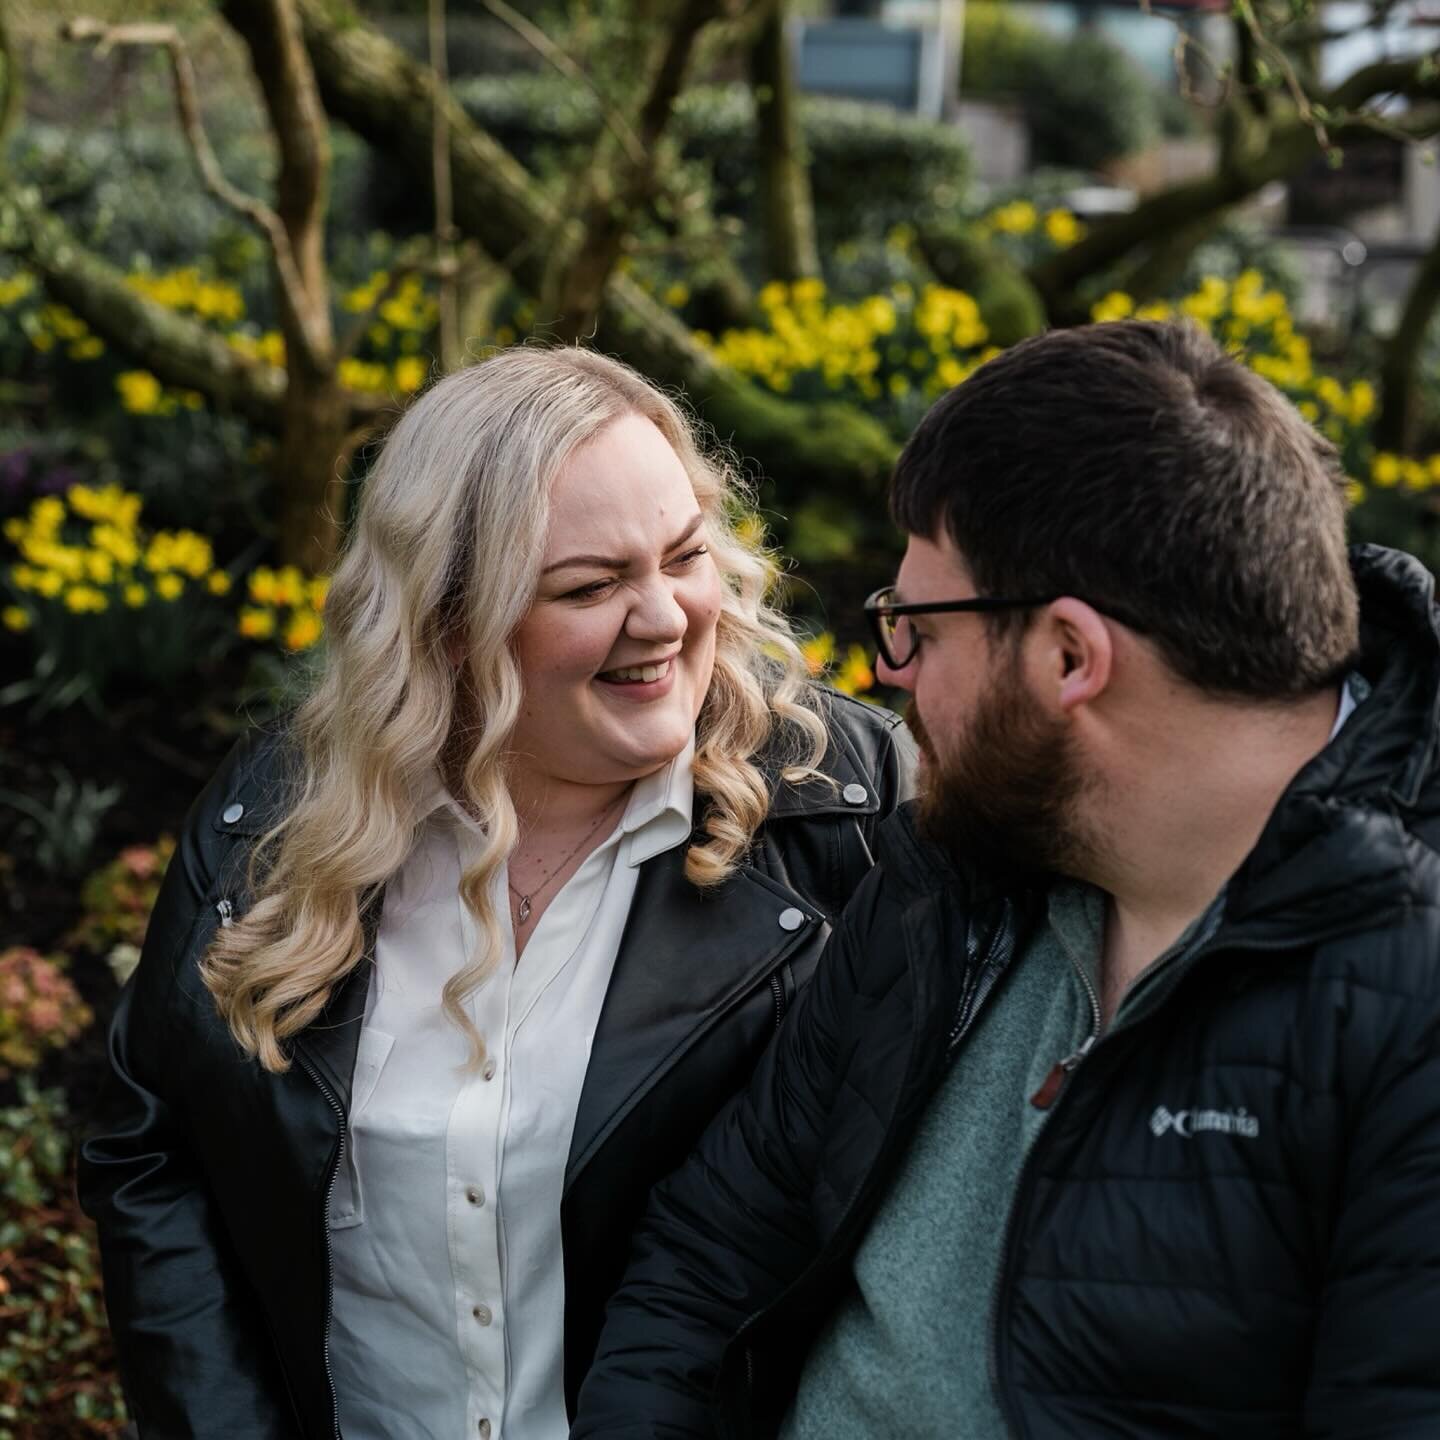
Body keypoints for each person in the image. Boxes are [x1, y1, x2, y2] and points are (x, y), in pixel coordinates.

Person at [573, 319, 1440, 1438]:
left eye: (919, 631)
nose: (891, 677)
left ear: (1071, 658)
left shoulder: (1403, 1003)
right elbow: (708, 1255)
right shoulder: (953, 871)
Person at [77, 346, 914, 1440]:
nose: (664, 617)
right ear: (447, 622)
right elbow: (156, 1141)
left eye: (683, 556)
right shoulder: (280, 818)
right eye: (590, 586)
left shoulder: (847, 812)